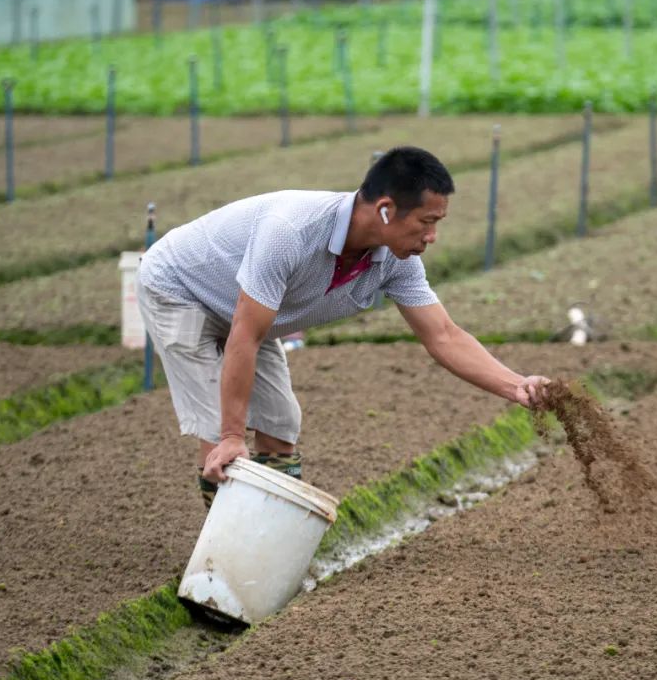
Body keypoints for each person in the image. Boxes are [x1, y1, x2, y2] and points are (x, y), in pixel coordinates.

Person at [136, 146, 550, 508]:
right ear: (386, 210)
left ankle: (268, 542)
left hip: (245, 310)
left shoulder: (394, 259)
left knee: (280, 428)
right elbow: (245, 334)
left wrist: (515, 386)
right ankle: (223, 566)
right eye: (426, 222)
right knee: (221, 438)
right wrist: (231, 433)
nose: (433, 235)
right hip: (182, 289)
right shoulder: (291, 232)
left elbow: (444, 335)